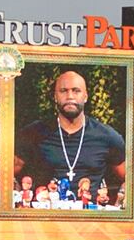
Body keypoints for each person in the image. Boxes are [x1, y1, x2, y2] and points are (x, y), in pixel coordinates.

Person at [17, 68, 127, 206]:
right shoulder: (33, 133)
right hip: (44, 218)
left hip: (91, 219)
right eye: (63, 91)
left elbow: (132, 179)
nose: (70, 96)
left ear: (85, 96)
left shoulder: (107, 136)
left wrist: (121, 201)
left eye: (76, 90)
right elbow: (7, 173)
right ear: (55, 96)